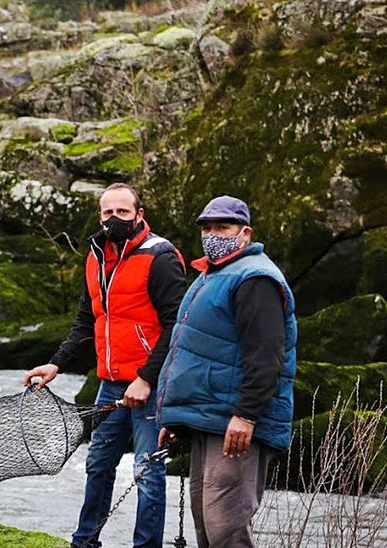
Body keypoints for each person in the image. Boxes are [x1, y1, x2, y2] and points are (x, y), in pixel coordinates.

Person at [23, 183, 187, 548]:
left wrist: (147, 378)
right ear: (100, 216)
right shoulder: (96, 256)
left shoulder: (159, 257)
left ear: (139, 215)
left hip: (152, 385)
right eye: (107, 213)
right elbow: (87, 319)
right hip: (110, 382)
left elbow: (177, 325)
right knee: (98, 465)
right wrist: (56, 364)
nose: (114, 219)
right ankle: (85, 541)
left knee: (147, 471)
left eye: (123, 212)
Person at [156, 195, 297, 548]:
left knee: (227, 530)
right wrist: (177, 419)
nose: (212, 234)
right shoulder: (211, 275)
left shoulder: (256, 278)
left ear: (244, 233)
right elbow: (196, 349)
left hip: (235, 425)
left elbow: (266, 357)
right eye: (207, 228)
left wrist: (246, 416)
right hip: (209, 419)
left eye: (223, 227)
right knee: (206, 526)